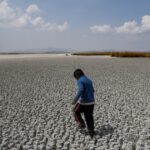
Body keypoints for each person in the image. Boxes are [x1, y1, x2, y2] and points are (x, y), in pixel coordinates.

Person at [72, 69, 95, 137]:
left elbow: (81, 90)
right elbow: (93, 90)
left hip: (84, 102)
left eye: (75, 78)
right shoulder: (89, 80)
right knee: (89, 117)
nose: (76, 79)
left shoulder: (80, 80)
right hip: (92, 102)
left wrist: (75, 100)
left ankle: (82, 124)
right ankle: (91, 131)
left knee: (75, 111)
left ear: (77, 76)